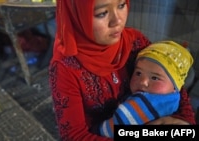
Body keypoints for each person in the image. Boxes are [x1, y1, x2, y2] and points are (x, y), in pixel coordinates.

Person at [48, 0, 196, 140]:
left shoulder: (135, 41)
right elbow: (74, 136)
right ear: (77, 15)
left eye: (121, 5)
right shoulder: (65, 68)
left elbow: (172, 80)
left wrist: (184, 122)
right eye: (102, 13)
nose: (117, 21)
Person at [100, 40, 194, 138]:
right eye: (138, 73)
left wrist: (97, 129)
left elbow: (110, 130)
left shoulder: (152, 104)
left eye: (154, 78)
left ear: (175, 88)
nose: (143, 82)